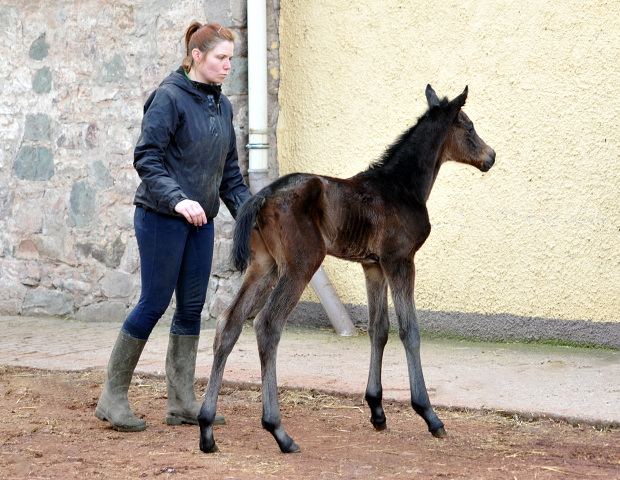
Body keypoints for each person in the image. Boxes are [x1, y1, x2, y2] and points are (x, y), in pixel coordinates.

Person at [95, 22, 250, 432]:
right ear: (196, 56)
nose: (227, 66)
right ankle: (112, 397)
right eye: (221, 58)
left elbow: (229, 174)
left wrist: (253, 217)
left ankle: (182, 403)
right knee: (153, 303)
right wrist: (179, 199)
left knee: (191, 309)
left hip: (201, 224)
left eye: (231, 59)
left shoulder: (222, 105)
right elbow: (148, 158)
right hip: (162, 218)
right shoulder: (168, 98)